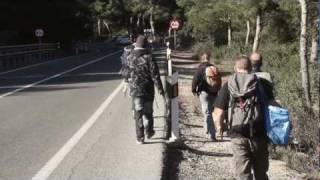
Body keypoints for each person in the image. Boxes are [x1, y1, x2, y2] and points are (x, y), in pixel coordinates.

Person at [213, 56, 274, 180]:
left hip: (237, 134)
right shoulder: (262, 84)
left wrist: (219, 128)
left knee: (242, 173)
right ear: (251, 68)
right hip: (259, 134)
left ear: (235, 68)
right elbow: (273, 106)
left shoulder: (228, 85)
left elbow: (218, 112)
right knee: (261, 173)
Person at [126, 35, 165, 144]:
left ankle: (140, 137)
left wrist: (127, 83)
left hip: (135, 90)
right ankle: (149, 131)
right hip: (148, 90)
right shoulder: (149, 57)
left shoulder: (129, 57)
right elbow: (155, 75)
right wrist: (160, 89)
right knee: (148, 112)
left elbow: (126, 73)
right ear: (146, 45)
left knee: (138, 113)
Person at [192, 52, 222, 141]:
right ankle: (208, 129)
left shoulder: (201, 68)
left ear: (202, 58)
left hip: (204, 93)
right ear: (209, 58)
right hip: (214, 92)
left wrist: (193, 89)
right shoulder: (214, 67)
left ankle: (212, 134)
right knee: (211, 112)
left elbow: (195, 79)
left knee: (207, 112)